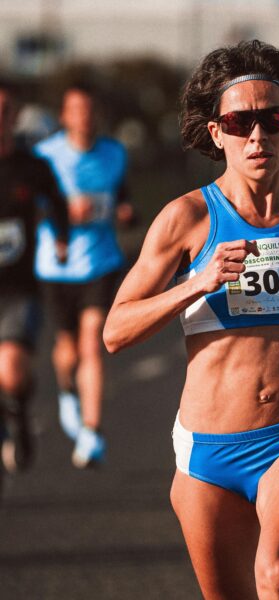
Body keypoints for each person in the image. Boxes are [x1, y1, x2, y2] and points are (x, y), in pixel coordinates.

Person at [104, 40, 279, 599]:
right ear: (216, 133)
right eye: (239, 122)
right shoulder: (187, 218)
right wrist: (195, 284)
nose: (257, 136)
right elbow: (115, 331)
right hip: (208, 452)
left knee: (278, 576)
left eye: (273, 120)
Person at [34, 84, 134, 468]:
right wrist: (61, 213)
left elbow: (123, 198)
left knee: (92, 342)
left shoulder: (114, 153)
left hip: (100, 262)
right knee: (67, 349)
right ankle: (66, 393)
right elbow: (29, 207)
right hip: (56, 266)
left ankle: (91, 430)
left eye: (89, 109)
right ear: (64, 115)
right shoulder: (45, 155)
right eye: (75, 109)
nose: (83, 116)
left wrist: (125, 212)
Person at [0, 82, 68, 473]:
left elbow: (56, 202)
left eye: (5, 110)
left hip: (18, 289)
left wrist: (61, 237)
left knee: (11, 368)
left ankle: (19, 414)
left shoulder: (31, 166)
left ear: (14, 116)